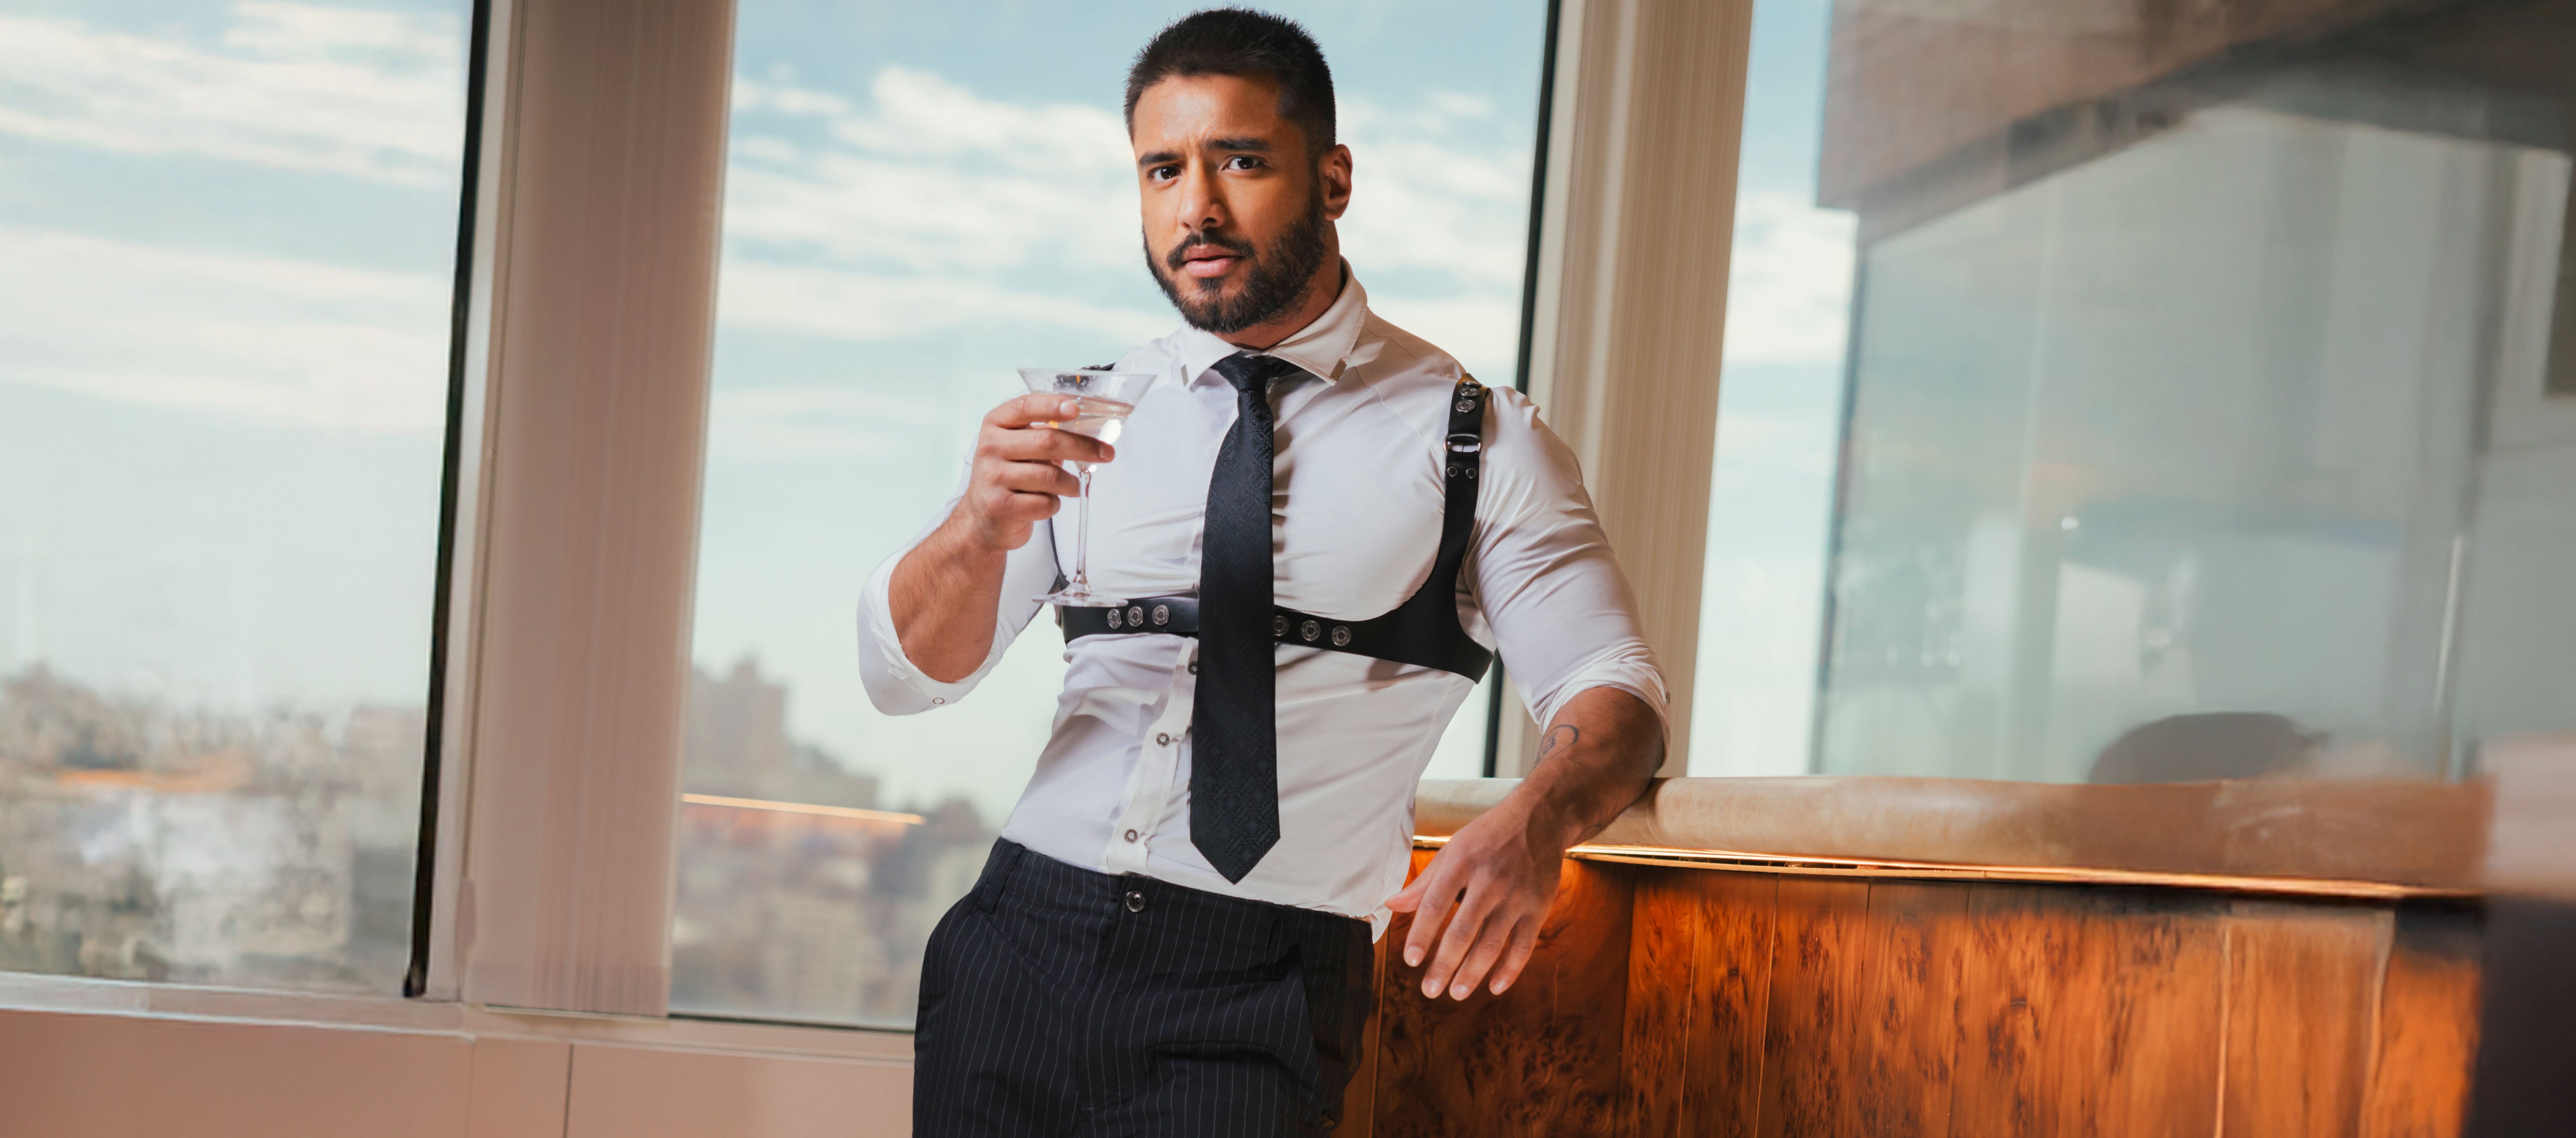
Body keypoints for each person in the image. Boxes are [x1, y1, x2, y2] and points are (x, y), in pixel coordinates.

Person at [861, 8, 1667, 1135]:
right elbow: (907, 679)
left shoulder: (1479, 442)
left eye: (1240, 160)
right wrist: (971, 526)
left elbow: (1618, 693)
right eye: (1163, 169)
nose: (1197, 206)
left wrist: (1537, 819)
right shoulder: (1085, 416)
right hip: (1018, 942)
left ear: (1333, 179)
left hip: (1263, 981)